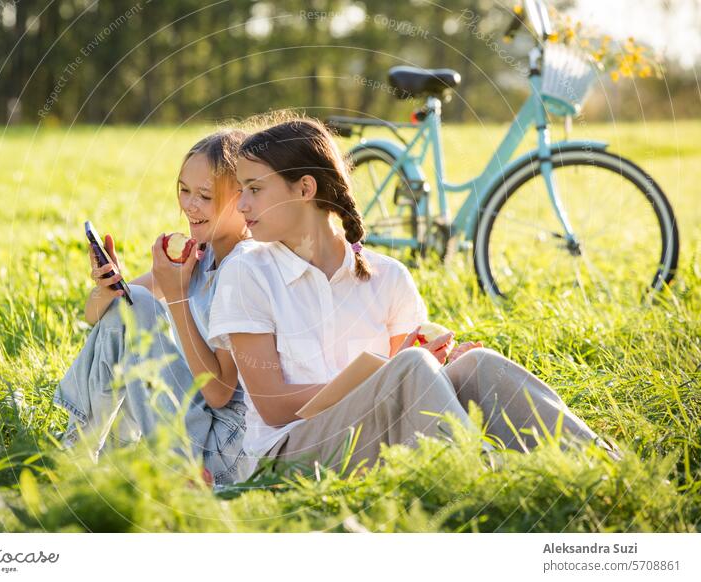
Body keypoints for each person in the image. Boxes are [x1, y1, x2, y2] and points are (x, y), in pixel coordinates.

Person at [207, 116, 614, 480]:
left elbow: (409, 382)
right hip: (287, 456)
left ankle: (607, 468)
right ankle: (483, 475)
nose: (241, 204)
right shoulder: (247, 274)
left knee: (476, 365)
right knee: (412, 366)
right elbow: (275, 407)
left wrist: (439, 366)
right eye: (242, 189)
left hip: (377, 437)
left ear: (305, 189)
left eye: (255, 189)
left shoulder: (388, 276)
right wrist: (393, 375)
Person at [54, 129, 257, 486]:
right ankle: (81, 452)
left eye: (205, 196)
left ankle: (82, 454)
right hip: (197, 425)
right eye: (184, 190)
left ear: (241, 200)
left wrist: (176, 296)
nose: (190, 206)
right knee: (132, 304)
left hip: (224, 449)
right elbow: (99, 316)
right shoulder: (201, 254)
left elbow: (220, 393)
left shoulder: (242, 269)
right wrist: (107, 286)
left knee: (141, 305)